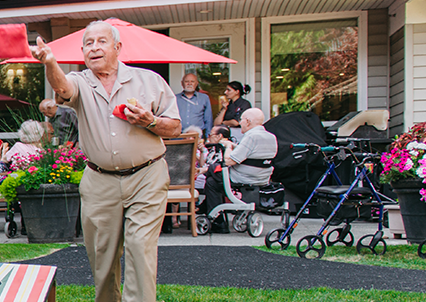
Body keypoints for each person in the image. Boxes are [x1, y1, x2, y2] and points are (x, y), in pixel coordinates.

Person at [30, 20, 181, 302]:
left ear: (117, 47)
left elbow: (174, 127)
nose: (94, 48)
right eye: (88, 43)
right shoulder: (80, 81)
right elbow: (62, 88)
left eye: (101, 42)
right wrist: (50, 62)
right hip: (100, 180)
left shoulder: (149, 80)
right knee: (102, 254)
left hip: (147, 176)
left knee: (139, 246)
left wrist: (151, 121)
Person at [204, 108, 277, 233]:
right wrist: (234, 147)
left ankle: (217, 220)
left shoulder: (251, 137)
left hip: (243, 176)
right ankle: (215, 217)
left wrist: (227, 146)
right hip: (262, 177)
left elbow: (228, 161)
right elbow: (252, 155)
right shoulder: (271, 137)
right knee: (212, 182)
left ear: (248, 121)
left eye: (241, 120)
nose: (240, 123)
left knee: (212, 172)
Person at [176, 74, 213, 138]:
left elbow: (208, 119)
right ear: (182, 83)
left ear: (196, 83)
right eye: (186, 81)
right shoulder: (175, 98)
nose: (189, 83)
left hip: (197, 136)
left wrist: (208, 137)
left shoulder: (204, 98)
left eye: (192, 81)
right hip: (178, 135)